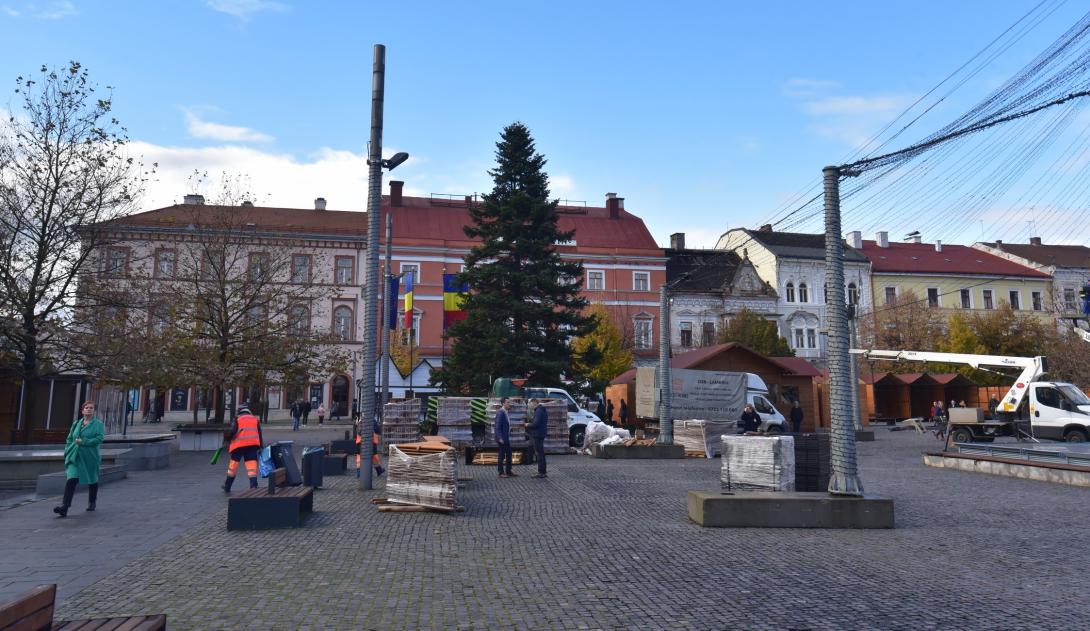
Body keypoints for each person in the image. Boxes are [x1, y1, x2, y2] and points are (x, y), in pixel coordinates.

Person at [54, 401, 104, 518]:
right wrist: (67, 450)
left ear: (94, 411)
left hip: (90, 456)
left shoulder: (98, 424)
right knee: (71, 478)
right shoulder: (76, 423)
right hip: (75, 455)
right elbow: (70, 438)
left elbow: (99, 438)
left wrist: (85, 442)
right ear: (82, 410)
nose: (89, 409)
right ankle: (64, 507)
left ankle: (92, 501)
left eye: (91, 408)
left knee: (92, 478)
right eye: (86, 408)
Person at [221, 405, 263, 493]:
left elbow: (232, 431)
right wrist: (260, 446)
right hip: (252, 446)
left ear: (240, 411)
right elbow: (259, 434)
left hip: (238, 446)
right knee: (252, 468)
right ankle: (253, 486)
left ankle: (227, 486)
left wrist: (227, 440)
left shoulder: (238, 419)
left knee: (233, 467)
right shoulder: (255, 419)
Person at [494, 397, 516, 478]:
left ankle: (508, 471)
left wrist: (510, 429)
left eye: (509, 402)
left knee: (509, 454)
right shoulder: (501, 412)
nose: (509, 404)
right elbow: (497, 426)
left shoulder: (506, 412)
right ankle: (501, 472)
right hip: (502, 438)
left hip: (506, 437)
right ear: (503, 403)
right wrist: (500, 437)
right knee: (502, 455)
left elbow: (505, 424)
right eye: (508, 402)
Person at [527, 398, 548, 478]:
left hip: (537, 435)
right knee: (541, 453)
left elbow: (535, 424)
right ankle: (543, 471)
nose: (529, 406)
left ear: (534, 403)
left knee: (539, 453)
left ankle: (541, 472)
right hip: (540, 434)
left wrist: (527, 425)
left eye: (530, 404)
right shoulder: (542, 410)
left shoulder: (539, 411)